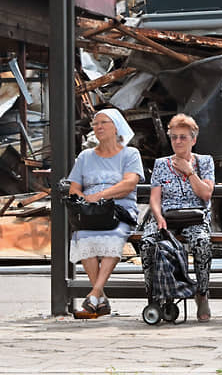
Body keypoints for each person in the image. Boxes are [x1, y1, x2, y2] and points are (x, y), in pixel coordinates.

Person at [67, 108, 144, 316]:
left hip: (119, 211)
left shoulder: (130, 154)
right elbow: (74, 187)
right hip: (91, 212)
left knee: (114, 237)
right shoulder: (85, 156)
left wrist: (101, 196)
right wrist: (86, 201)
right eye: (95, 124)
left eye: (103, 123)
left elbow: (129, 183)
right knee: (83, 237)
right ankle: (99, 297)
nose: (98, 127)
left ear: (116, 127)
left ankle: (94, 295)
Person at [141, 113, 215, 322]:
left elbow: (206, 194)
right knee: (147, 243)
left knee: (202, 243)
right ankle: (153, 296)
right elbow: (155, 197)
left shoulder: (204, 162)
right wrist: (158, 216)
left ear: (193, 139)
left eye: (183, 137)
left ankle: (201, 293)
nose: (178, 141)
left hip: (194, 216)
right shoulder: (161, 164)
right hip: (167, 215)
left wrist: (190, 172)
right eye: (174, 137)